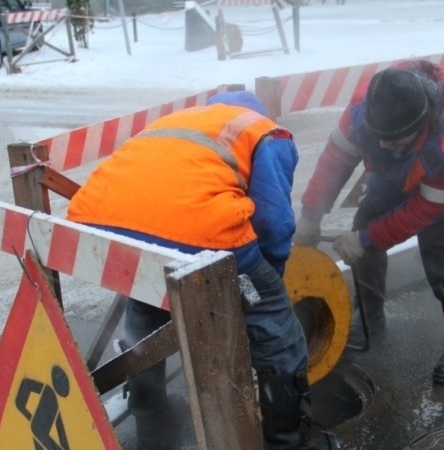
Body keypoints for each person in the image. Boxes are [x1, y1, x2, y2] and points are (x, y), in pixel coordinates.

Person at [67, 91, 320, 449]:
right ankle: (288, 442)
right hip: (201, 234)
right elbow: (273, 220)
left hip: (99, 226)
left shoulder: (174, 123)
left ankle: (153, 437)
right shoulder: (265, 132)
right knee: (280, 339)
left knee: (144, 323)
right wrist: (267, 286)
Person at [293, 59, 444, 385]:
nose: (382, 146)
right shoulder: (368, 107)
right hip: (404, 167)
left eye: (393, 140)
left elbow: (423, 211)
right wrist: (310, 217)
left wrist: (365, 241)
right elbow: (335, 161)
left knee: (436, 242)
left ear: (421, 126)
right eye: (378, 139)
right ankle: (371, 317)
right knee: (367, 218)